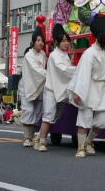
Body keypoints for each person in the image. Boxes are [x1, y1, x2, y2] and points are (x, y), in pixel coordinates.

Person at [67, 17, 105, 158]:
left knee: (102, 121)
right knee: (84, 119)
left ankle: (89, 141)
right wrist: (79, 93)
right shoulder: (89, 53)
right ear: (99, 37)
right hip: (89, 87)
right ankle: (81, 147)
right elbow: (83, 74)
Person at [37, 24, 76, 152]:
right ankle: (41, 141)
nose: (66, 43)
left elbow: (66, 71)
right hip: (51, 89)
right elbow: (63, 70)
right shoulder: (54, 55)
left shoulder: (64, 54)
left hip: (60, 89)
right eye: (63, 41)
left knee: (55, 116)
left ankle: (39, 137)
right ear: (57, 42)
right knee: (49, 115)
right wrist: (78, 69)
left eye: (67, 41)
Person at [19, 27, 47, 148]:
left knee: (37, 113)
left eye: (42, 41)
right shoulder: (28, 55)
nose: (41, 43)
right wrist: (49, 75)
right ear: (33, 42)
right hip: (27, 86)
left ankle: (31, 137)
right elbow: (36, 71)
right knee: (28, 110)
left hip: (39, 86)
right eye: (38, 40)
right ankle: (26, 137)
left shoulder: (43, 54)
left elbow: (41, 71)